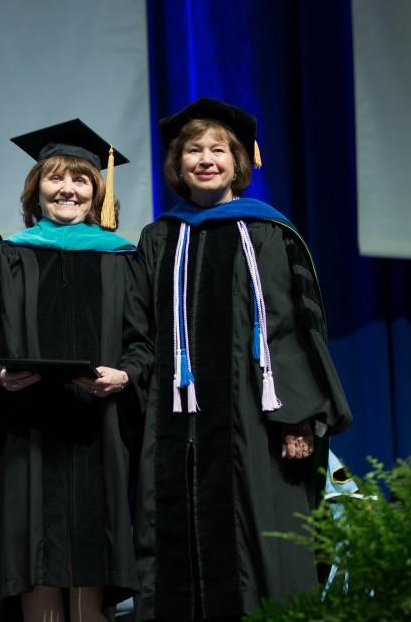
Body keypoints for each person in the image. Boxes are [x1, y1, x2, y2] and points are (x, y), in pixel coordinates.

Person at [124, 97, 353, 620]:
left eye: (218, 149)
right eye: (193, 151)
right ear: (178, 166)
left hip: (256, 423)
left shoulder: (270, 233)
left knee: (260, 545)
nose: (206, 159)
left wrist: (297, 415)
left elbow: (293, 328)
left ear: (238, 161)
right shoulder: (159, 237)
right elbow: (138, 330)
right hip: (176, 427)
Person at [0, 119, 139, 621]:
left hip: (100, 431)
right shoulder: (4, 257)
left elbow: (144, 342)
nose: (67, 189)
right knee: (33, 563)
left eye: (80, 179)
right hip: (27, 432)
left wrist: (125, 375)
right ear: (35, 190)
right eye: (55, 178)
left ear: (97, 193)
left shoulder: (124, 260)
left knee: (90, 561)